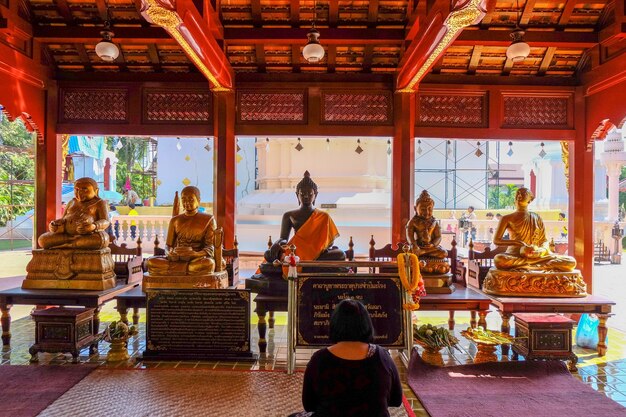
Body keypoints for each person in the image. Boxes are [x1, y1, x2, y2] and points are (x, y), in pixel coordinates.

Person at [298, 299, 402, 417]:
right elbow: (396, 400)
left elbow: (309, 405)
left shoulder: (319, 359)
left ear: (334, 324)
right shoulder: (382, 356)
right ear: (366, 324)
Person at [264, 171, 345, 264]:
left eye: (310, 194)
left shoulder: (324, 217)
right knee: (268, 254)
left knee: (340, 254)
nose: (306, 196)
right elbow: (284, 239)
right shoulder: (289, 215)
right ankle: (307, 264)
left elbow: (330, 242)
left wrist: (318, 247)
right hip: (295, 251)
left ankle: (302, 263)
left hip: (315, 252)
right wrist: (277, 243)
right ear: (297, 195)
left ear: (315, 195)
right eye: (302, 193)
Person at [492, 188, 576, 271]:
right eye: (518, 193)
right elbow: (496, 240)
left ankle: (529, 265)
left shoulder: (536, 218)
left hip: (536, 255)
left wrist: (541, 251)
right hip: (515, 254)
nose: (519, 195)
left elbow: (544, 241)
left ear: (530, 200)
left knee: (571, 262)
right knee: (499, 260)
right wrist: (516, 243)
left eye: (523, 194)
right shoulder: (506, 218)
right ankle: (537, 265)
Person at [146, 186, 223, 275]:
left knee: (208, 264)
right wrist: (170, 253)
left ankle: (178, 271)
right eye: (183, 199)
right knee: (151, 262)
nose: (186, 203)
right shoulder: (175, 220)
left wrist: (194, 254)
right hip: (177, 259)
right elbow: (168, 246)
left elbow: (210, 248)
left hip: (196, 260)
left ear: (198, 200)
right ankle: (185, 271)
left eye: (191, 199)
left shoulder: (208, 219)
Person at [38, 177, 110, 250]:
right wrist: (55, 225)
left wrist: (93, 226)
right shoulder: (72, 202)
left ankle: (69, 245)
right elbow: (63, 219)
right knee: (42, 240)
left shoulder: (99, 203)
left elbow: (106, 221)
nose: (79, 193)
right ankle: (71, 243)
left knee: (100, 240)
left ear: (96, 191)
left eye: (84, 189)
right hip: (67, 236)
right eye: (76, 189)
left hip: (88, 235)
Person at [406, 190, 447, 258]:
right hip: (418, 246)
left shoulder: (434, 222)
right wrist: (414, 245)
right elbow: (409, 236)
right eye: (423, 209)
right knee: (410, 252)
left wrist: (433, 244)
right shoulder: (413, 222)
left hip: (430, 247)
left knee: (444, 252)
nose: (427, 212)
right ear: (415, 209)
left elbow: (438, 236)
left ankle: (422, 253)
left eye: (429, 209)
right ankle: (420, 252)